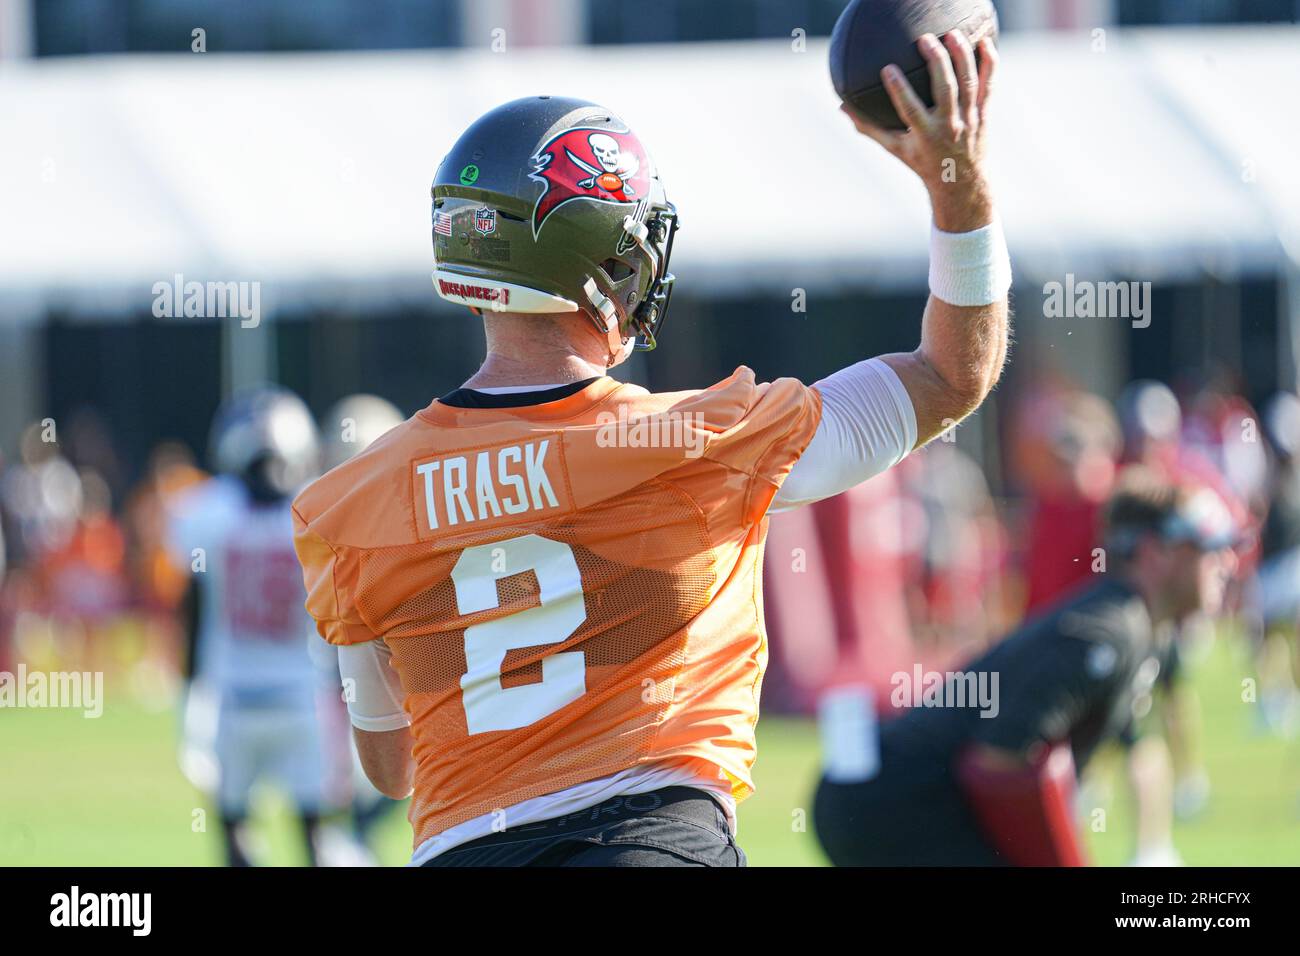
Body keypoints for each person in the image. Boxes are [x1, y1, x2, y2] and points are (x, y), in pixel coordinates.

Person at [293, 32, 1010, 867]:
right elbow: (952, 376)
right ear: (602, 260)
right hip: (650, 843)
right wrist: (958, 187)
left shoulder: (350, 503)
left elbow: (392, 769)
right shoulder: (701, 442)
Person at [812, 467, 1239, 866]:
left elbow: (1131, 747)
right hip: (883, 800)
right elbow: (999, 763)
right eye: (1210, 548)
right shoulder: (1104, 635)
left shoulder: (1148, 632)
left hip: (909, 797)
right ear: (1156, 551)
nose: (1228, 565)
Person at [168, 387, 327, 866]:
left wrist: (187, 693)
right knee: (314, 837)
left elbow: (192, 614)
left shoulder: (205, 512)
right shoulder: (314, 509)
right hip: (301, 696)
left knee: (234, 830)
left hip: (234, 697)